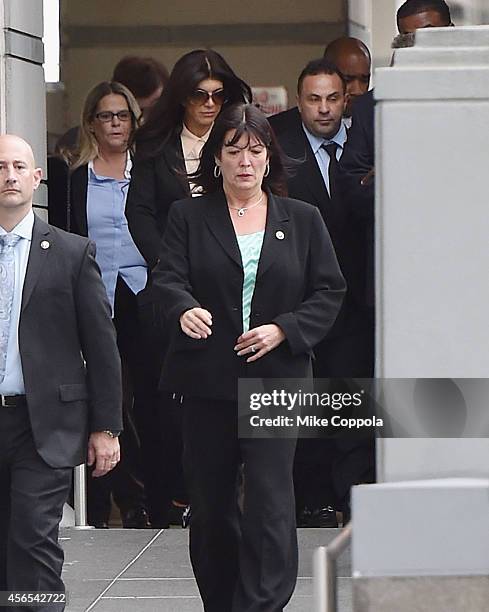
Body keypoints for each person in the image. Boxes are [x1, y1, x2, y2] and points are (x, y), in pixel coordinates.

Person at [152, 102, 346, 612]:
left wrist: (284, 329)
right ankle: (222, 600)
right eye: (233, 150)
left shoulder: (302, 219)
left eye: (255, 151)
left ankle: (262, 602)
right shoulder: (188, 216)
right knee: (212, 506)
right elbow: (167, 279)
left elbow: (328, 290)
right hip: (207, 376)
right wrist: (183, 308)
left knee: (269, 500)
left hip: (276, 378)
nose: (244, 161)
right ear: (217, 158)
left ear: (269, 158)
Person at [126, 48, 252, 526]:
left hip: (233, 286)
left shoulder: (241, 143)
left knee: (232, 394)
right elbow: (139, 212)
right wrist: (169, 264)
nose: (209, 104)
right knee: (167, 399)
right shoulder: (156, 148)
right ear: (181, 97)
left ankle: (229, 497)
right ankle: (169, 498)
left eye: (219, 95)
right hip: (172, 288)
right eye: (199, 95)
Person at [0, 134, 121, 611]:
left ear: (36, 177)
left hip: (43, 422)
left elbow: (102, 346)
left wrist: (106, 427)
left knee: (32, 538)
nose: (8, 175)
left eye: (18, 166)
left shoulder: (71, 253)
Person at [269, 58, 374, 527]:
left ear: (345, 99)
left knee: (350, 401)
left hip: (354, 297)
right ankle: (309, 501)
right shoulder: (277, 144)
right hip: (298, 298)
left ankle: (352, 500)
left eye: (333, 98)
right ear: (299, 100)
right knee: (304, 402)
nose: (324, 109)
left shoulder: (364, 141)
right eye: (314, 99)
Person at [49, 81, 153, 528]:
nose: (115, 123)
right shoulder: (74, 177)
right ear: (91, 122)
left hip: (142, 292)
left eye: (123, 115)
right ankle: (115, 496)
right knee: (109, 398)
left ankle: (146, 496)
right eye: (106, 116)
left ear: (134, 120)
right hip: (94, 296)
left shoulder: (149, 172)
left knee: (147, 398)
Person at [55, 55, 169, 153]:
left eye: (154, 108)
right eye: (126, 113)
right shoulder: (74, 144)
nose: (142, 120)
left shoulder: (168, 142)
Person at [324, 37, 371, 116]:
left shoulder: (380, 122)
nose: (358, 91)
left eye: (364, 80)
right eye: (347, 80)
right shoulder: (299, 124)